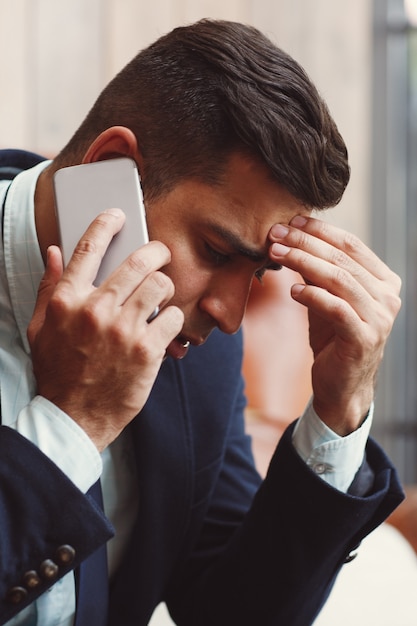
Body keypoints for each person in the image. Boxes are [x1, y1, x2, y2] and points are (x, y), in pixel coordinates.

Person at [0, 18, 404, 626]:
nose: (232, 316)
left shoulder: (194, 354)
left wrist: (339, 412)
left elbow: (233, 613)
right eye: (217, 252)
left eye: (259, 272)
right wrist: (71, 424)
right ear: (112, 168)